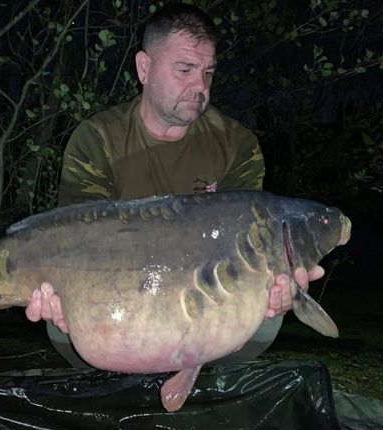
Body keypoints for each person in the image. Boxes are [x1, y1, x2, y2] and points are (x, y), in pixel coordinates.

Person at [25, 3, 324, 368]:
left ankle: (193, 379)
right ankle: (117, 384)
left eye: (208, 72)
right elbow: (77, 238)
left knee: (265, 319)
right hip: (118, 287)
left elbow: (249, 245)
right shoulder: (97, 138)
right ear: (144, 68)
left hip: (198, 294)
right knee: (65, 324)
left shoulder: (237, 144)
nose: (200, 86)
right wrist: (62, 289)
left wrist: (276, 284)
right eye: (184, 69)